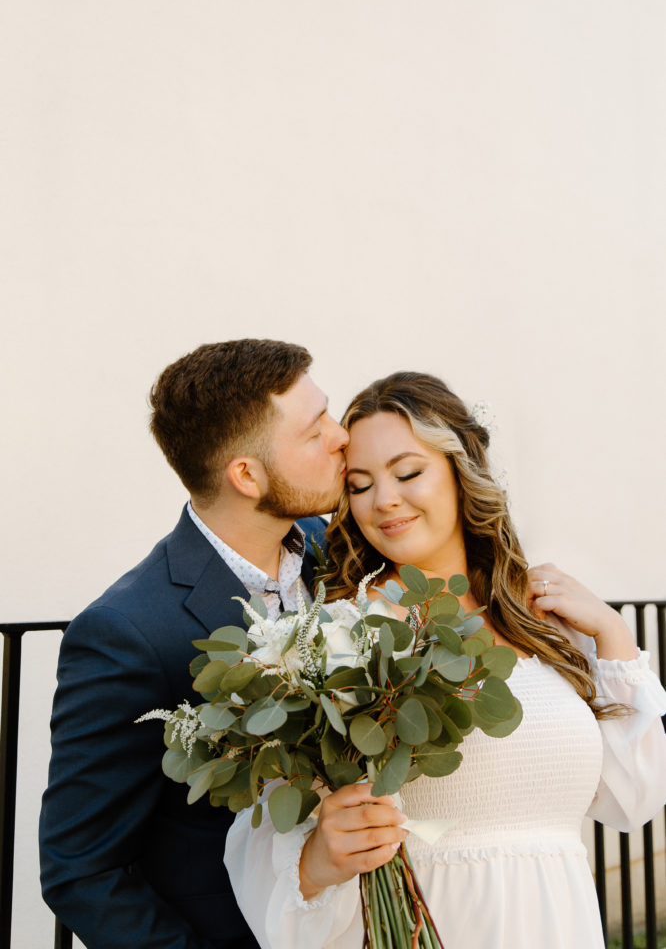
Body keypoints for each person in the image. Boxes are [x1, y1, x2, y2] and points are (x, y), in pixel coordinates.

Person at [224, 370, 666, 949]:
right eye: (358, 485)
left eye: (408, 473)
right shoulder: (335, 636)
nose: (384, 500)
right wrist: (319, 859)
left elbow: (632, 801)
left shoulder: (545, 623)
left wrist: (613, 636)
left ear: (461, 473)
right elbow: (271, 854)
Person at [39, 339, 349, 949]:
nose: (342, 437)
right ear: (246, 475)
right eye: (316, 432)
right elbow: (81, 868)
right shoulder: (126, 632)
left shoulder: (342, 553)